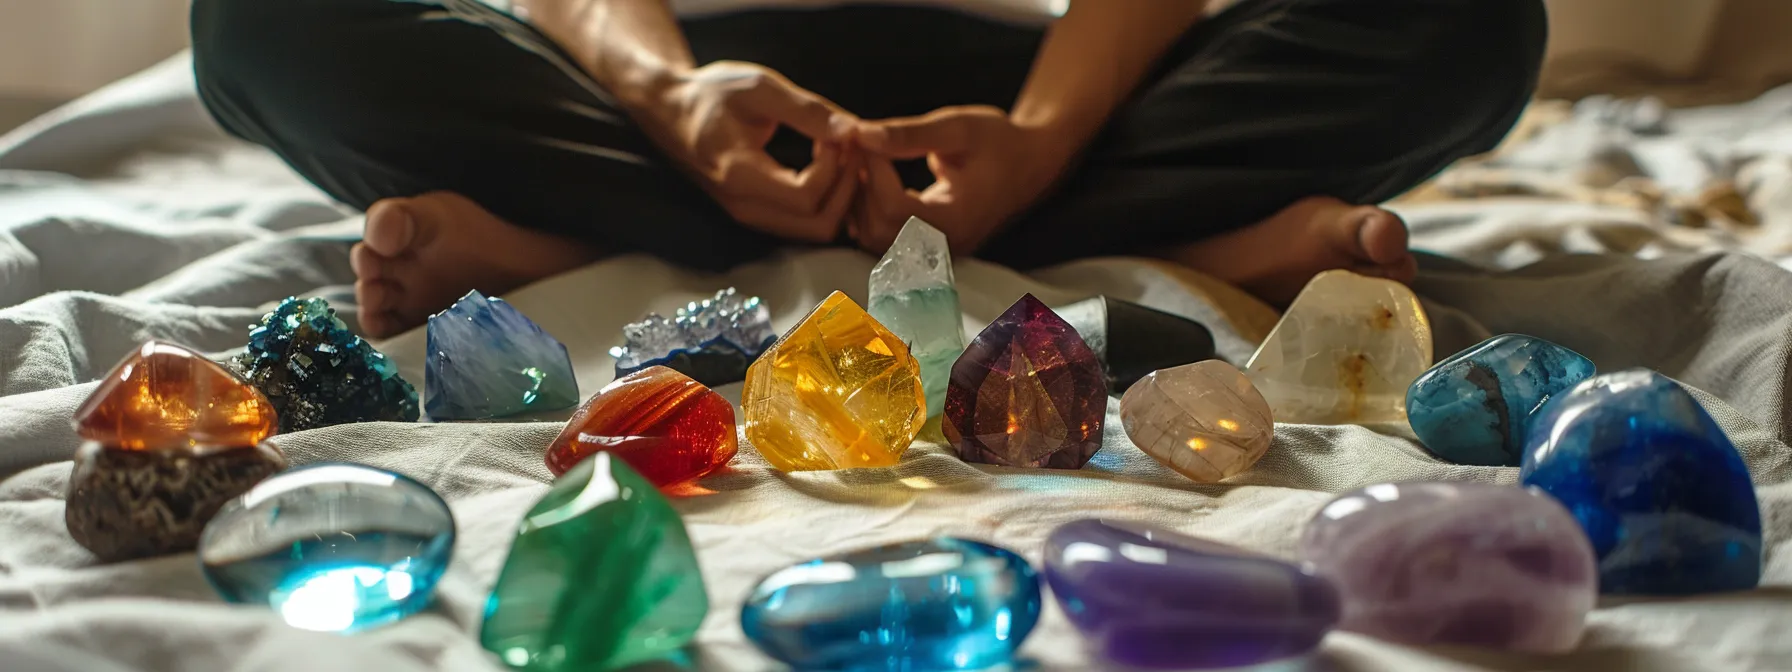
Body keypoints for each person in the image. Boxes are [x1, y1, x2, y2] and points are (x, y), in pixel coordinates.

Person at [189, 0, 1547, 338]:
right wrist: (673, 101)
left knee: (1468, 20)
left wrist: (1039, 138)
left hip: (1047, 83)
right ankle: (1191, 238)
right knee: (257, 19)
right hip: (681, 79)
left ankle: (579, 243)